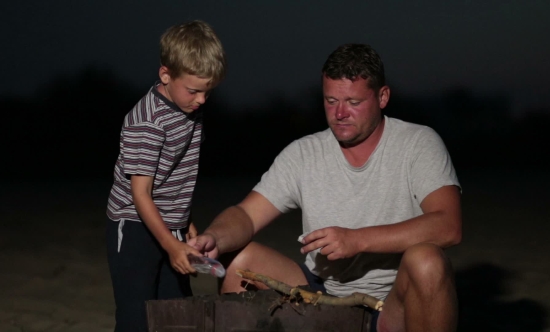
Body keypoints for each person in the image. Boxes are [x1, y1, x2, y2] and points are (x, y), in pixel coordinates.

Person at [191, 44, 461, 332]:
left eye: (353, 102)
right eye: (331, 101)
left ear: (383, 97)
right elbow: (246, 215)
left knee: (427, 260)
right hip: (320, 296)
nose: (340, 113)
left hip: (394, 304)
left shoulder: (418, 143)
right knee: (239, 261)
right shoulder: (303, 153)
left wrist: (357, 240)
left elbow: (448, 225)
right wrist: (214, 237)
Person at [105, 20, 226, 332]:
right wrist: (171, 247)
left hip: (170, 222)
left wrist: (186, 222)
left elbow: (174, 176)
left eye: (208, 92)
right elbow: (140, 194)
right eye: (194, 91)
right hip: (133, 224)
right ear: (165, 75)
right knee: (137, 317)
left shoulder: (190, 111)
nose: (201, 100)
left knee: (177, 314)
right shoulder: (147, 122)